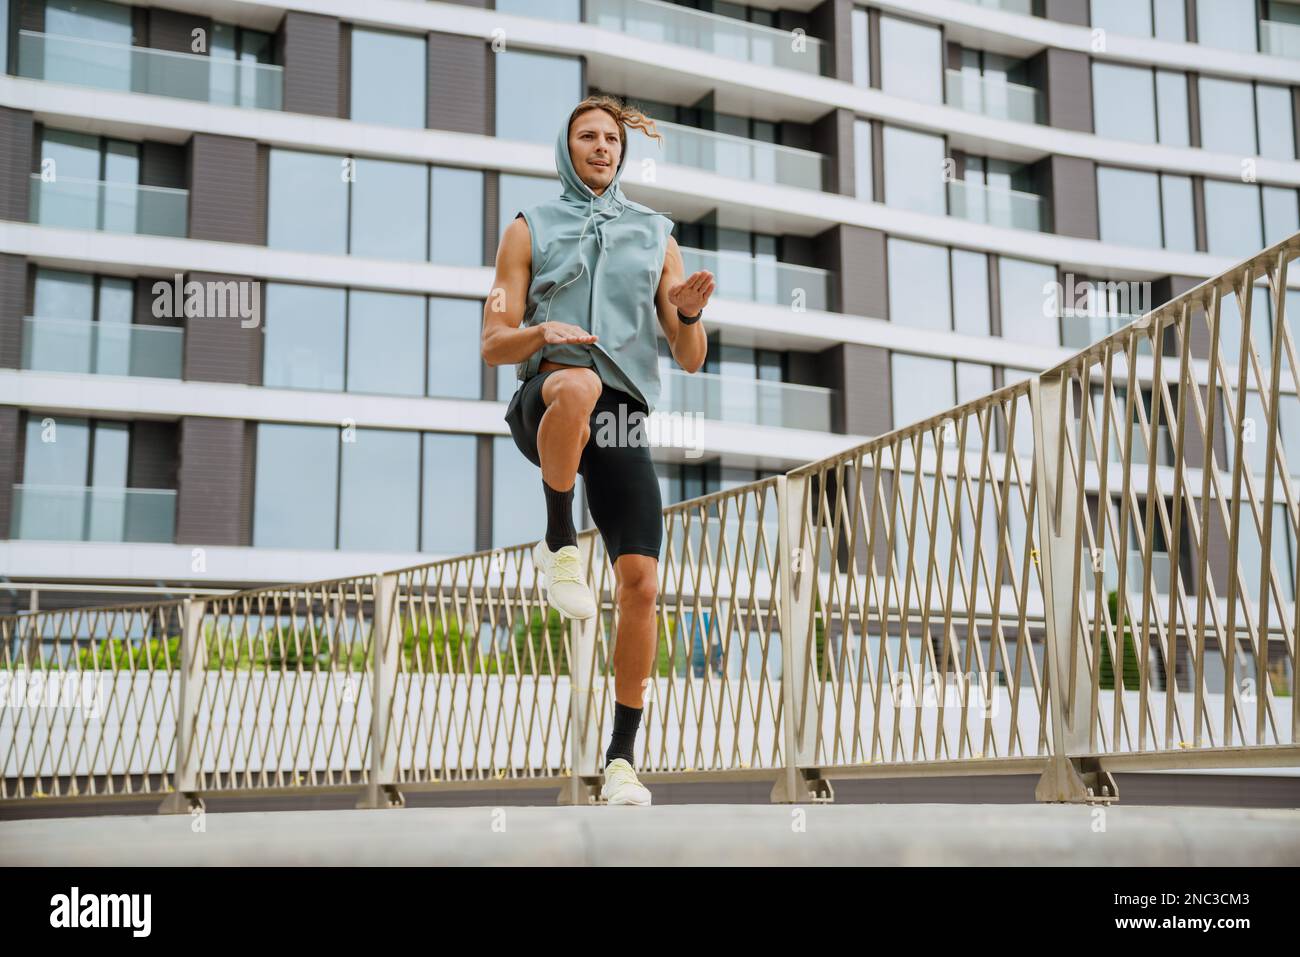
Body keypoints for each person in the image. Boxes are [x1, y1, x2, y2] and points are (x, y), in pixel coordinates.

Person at [481, 95, 713, 806]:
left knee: (641, 579)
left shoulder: (656, 234)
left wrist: (692, 313)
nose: (603, 147)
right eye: (589, 136)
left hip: (621, 417)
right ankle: (559, 540)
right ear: (567, 146)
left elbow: (690, 356)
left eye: (613, 138)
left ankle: (620, 760)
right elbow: (494, 342)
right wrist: (542, 336)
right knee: (578, 382)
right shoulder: (528, 228)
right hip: (547, 395)